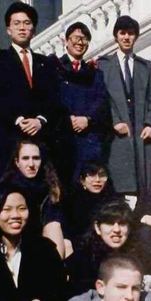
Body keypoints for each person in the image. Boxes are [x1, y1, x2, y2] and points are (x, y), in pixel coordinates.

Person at [0, 1, 61, 178]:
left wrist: (40, 120)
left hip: (41, 137)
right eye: (16, 23)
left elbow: (55, 98)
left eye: (27, 23)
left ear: (34, 30)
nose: (22, 28)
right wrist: (18, 119)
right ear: (8, 29)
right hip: (11, 136)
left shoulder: (46, 62)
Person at [97, 15, 151, 199]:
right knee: (120, 188)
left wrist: (150, 123)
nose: (126, 38)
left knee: (144, 188)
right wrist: (115, 121)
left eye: (131, 34)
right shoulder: (103, 66)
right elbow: (101, 100)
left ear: (136, 37)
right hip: (117, 138)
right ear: (116, 36)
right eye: (122, 33)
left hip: (141, 137)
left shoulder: (146, 67)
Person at [53, 22, 110, 186]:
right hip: (64, 138)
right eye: (76, 38)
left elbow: (102, 102)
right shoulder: (55, 67)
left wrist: (88, 119)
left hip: (88, 139)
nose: (80, 43)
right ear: (66, 41)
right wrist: (67, 119)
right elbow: (52, 99)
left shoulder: (95, 73)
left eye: (85, 39)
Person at [0, 139, 66, 258]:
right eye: (25, 158)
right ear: (17, 162)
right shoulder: (5, 187)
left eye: (36, 158)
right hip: (12, 239)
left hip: (40, 241)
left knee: (65, 241)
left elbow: (53, 224)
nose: (31, 164)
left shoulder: (49, 188)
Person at [66, 200, 138, 298]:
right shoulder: (83, 260)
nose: (116, 230)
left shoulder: (137, 256)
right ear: (97, 228)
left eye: (122, 224)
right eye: (109, 223)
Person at [63, 161, 118, 243]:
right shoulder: (71, 203)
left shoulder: (113, 201)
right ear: (82, 180)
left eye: (102, 175)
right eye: (92, 175)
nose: (98, 180)